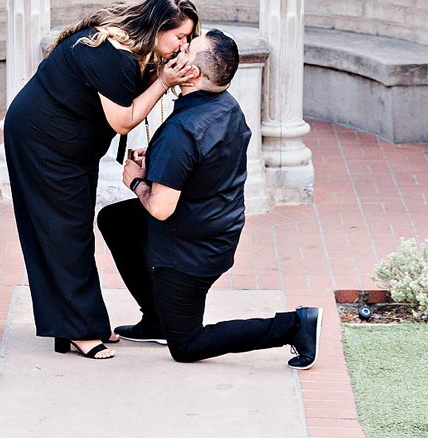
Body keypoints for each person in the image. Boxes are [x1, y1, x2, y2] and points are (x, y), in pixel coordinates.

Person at [96, 29, 323, 370]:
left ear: (193, 74)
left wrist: (137, 181)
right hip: (215, 227)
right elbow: (201, 166)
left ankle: (294, 325)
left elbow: (160, 207)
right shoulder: (225, 106)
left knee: (186, 345)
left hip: (188, 251)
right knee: (116, 220)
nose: (179, 49)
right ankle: (156, 317)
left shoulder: (183, 130)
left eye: (186, 52)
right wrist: (160, 160)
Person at [2, 0, 202, 360]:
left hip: (67, 143)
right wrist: (163, 82)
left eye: (188, 38)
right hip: (42, 140)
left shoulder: (135, 49)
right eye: (179, 36)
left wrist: (166, 74)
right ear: (158, 27)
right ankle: (79, 330)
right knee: (63, 232)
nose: (183, 44)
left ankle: (79, 322)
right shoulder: (114, 56)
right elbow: (123, 121)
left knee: (72, 229)